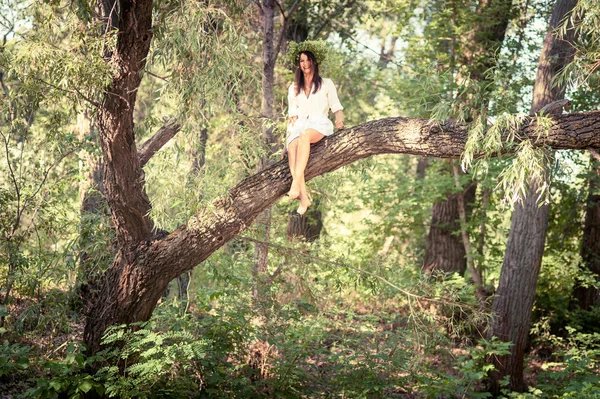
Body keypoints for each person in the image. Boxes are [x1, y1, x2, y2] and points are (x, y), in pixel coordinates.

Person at [286, 49, 344, 215]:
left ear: (314, 62)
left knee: (304, 136)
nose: (305, 64)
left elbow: (337, 108)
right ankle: (304, 198)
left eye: (308, 60)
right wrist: (288, 137)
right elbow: (292, 117)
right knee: (292, 147)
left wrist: (339, 120)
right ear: (299, 64)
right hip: (300, 125)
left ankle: (295, 183)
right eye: (302, 61)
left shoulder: (326, 83)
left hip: (319, 124)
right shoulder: (294, 88)